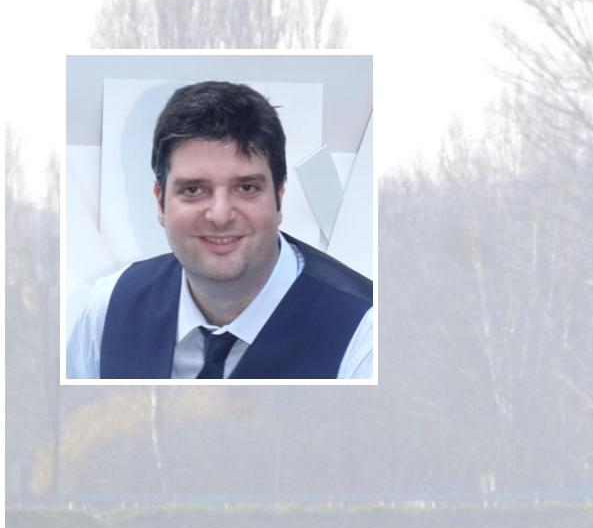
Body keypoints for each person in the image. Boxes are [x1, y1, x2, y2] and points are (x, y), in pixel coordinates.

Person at [66, 80, 373, 379]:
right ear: (160, 203)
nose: (220, 215)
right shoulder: (106, 313)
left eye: (247, 187)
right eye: (194, 190)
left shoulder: (365, 333)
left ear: (279, 197)